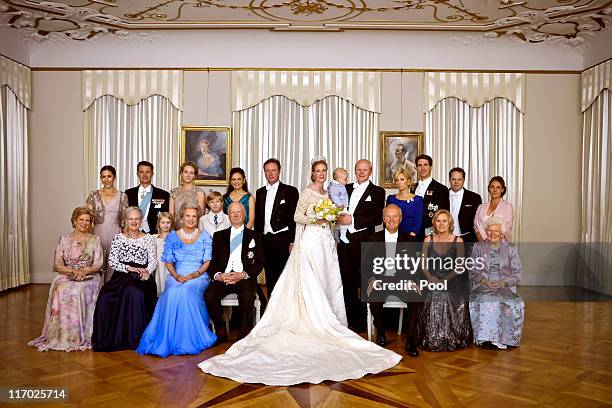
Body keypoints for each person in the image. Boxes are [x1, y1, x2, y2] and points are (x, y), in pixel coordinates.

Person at [198, 157, 401, 386]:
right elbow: (297, 217)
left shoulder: (332, 192)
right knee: (310, 280)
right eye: (318, 171)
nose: (322, 174)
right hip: (312, 240)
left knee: (329, 281)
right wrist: (317, 216)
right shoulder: (306, 192)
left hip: (327, 240)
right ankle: (312, 317)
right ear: (313, 173)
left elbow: (338, 214)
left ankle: (330, 317)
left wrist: (331, 215)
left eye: (325, 170)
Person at [136, 205, 217, 357]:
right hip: (176, 275)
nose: (191, 219)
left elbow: (207, 261)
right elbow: (168, 261)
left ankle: (188, 339)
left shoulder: (205, 236)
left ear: (197, 218)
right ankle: (168, 339)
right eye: (188, 216)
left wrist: (195, 274)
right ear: (182, 218)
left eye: (194, 216)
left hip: (199, 275)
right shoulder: (173, 236)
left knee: (186, 291)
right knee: (173, 291)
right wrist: (176, 276)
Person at [28, 207, 103, 352]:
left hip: (89, 276)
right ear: (74, 221)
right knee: (61, 288)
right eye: (81, 219)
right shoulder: (64, 239)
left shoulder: (95, 240)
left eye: (88, 220)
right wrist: (73, 271)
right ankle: (62, 334)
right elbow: (57, 264)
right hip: (67, 274)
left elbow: (98, 264)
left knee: (78, 289)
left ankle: (82, 334)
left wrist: (84, 271)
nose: (84, 223)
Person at [92, 207, 157, 352]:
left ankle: (134, 338)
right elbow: (112, 262)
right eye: (130, 219)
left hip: (142, 276)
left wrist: (147, 272)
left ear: (141, 221)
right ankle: (110, 337)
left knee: (133, 292)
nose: (134, 222)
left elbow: (152, 261)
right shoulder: (118, 238)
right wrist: (129, 268)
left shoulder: (148, 238)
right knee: (104, 296)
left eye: (136, 219)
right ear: (125, 221)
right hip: (122, 275)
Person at [366, 204, 422, 356]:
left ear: (400, 219)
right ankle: (381, 333)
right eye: (388, 216)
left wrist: (412, 280)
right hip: (381, 281)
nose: (391, 219)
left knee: (416, 297)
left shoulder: (409, 240)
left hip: (402, 281)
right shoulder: (373, 238)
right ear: (383, 219)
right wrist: (371, 279)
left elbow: (414, 265)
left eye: (395, 216)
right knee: (374, 296)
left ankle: (411, 339)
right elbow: (365, 264)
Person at [204, 202, 264, 342]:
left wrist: (243, 274)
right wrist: (218, 276)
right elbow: (211, 261)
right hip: (223, 277)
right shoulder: (219, 236)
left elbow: (260, 262)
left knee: (247, 295)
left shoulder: (255, 236)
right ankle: (221, 330)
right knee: (209, 295)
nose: (236, 215)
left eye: (239, 212)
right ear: (228, 216)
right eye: (232, 212)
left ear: (244, 215)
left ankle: (243, 332)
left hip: (244, 277)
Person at [337, 159, 385, 331]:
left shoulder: (378, 191)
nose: (362, 172)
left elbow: (377, 218)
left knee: (365, 283)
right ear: (355, 170)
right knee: (347, 282)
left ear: (370, 171)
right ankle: (352, 322)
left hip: (364, 242)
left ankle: (368, 321)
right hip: (344, 242)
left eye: (365, 170)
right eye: (359, 169)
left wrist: (353, 220)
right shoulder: (345, 188)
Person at [418, 210, 471, 352]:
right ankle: (433, 337)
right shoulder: (428, 239)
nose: (441, 224)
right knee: (433, 294)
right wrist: (431, 278)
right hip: (432, 277)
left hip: (452, 278)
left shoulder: (458, 240)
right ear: (434, 223)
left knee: (445, 294)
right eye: (438, 221)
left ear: (450, 224)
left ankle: (450, 336)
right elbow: (423, 264)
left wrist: (444, 280)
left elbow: (459, 266)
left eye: (444, 221)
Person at [469, 216, 524, 350]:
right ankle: (487, 339)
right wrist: (483, 280)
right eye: (490, 231)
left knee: (514, 302)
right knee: (490, 300)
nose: (492, 234)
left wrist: (503, 283)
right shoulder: (478, 247)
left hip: (504, 285)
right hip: (483, 284)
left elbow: (518, 272)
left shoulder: (511, 248)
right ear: (486, 232)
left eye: (496, 231)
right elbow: (471, 268)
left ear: (502, 233)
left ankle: (507, 339)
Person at [254, 159, 299, 295]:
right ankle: (272, 308)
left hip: (283, 239)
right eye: (267, 171)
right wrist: (257, 240)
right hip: (265, 239)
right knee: (269, 275)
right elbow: (258, 219)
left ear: (279, 171)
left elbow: (294, 219)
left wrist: (293, 241)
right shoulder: (260, 192)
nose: (270, 173)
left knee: (284, 276)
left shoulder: (290, 191)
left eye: (273, 170)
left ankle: (284, 309)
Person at [86, 165, 128, 282]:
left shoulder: (122, 196)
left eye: (109, 176)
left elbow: (125, 222)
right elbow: (88, 219)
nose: (106, 179)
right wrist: (89, 238)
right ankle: (97, 294)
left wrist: (125, 241)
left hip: (116, 234)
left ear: (114, 177)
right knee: (97, 264)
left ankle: (111, 294)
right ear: (100, 178)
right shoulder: (93, 195)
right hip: (97, 234)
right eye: (103, 177)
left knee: (114, 265)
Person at [125, 161, 170, 235]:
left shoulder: (163, 195)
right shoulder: (128, 193)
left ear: (152, 174)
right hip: (132, 233)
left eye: (148, 172)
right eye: (141, 172)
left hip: (154, 234)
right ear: (137, 174)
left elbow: (166, 217)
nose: (145, 175)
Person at [412, 154, 450, 241]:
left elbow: (445, 213)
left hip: (432, 231)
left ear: (431, 167)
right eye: (419, 165)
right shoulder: (412, 188)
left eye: (425, 165)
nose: (423, 168)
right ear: (416, 168)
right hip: (414, 231)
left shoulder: (441, 189)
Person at [386, 167, 423, 237]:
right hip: (393, 236)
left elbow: (418, 222)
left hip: (411, 237)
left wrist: (410, 237)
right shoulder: (391, 199)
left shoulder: (418, 200)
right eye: (397, 180)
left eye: (402, 179)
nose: (399, 182)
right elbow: (386, 220)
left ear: (408, 181)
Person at [474, 176, 514, 242]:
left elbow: (507, 229)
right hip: (482, 245)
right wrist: (483, 245)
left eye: (498, 187)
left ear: (502, 189)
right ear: (489, 189)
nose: (495, 190)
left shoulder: (507, 207)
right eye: (492, 187)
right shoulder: (481, 207)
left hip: (500, 246)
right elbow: (476, 228)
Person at [448, 167, 482, 244]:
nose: (456, 182)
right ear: (449, 179)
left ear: (464, 180)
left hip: (468, 240)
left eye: (459, 179)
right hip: (445, 239)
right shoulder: (442, 195)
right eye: (453, 179)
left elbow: (479, 222)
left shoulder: (474, 197)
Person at [169, 161, 206, 230]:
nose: (188, 175)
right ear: (181, 173)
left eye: (191, 173)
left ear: (195, 176)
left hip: (194, 231)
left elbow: (201, 216)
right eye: (186, 172)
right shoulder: (174, 192)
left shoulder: (199, 193)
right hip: (176, 230)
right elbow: (171, 215)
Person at [154, 212, 173, 296]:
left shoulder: (174, 237)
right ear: (159, 223)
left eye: (168, 222)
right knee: (159, 282)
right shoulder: (154, 237)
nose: (165, 225)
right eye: (163, 222)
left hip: (170, 266)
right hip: (158, 266)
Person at [328, 167, 350, 244]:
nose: (347, 181)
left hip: (343, 205)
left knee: (341, 221)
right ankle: (342, 235)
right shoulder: (334, 187)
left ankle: (336, 232)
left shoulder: (339, 185)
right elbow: (334, 197)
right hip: (340, 206)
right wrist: (340, 205)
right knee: (345, 220)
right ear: (338, 180)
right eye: (345, 179)